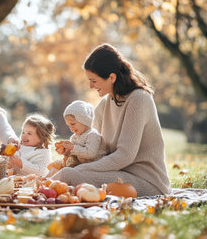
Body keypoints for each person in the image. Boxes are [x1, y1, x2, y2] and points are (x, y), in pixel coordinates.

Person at [52, 44, 171, 196]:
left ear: (112, 77)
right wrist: (70, 151)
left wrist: (79, 169)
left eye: (94, 81)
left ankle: (35, 191)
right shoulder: (105, 103)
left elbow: (124, 156)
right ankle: (37, 190)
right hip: (118, 174)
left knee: (69, 176)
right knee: (67, 173)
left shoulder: (139, 99)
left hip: (147, 181)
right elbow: (90, 143)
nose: (90, 86)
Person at [55, 100, 108, 167]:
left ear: (84, 121)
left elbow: (90, 153)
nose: (71, 128)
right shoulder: (74, 137)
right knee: (58, 166)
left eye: (73, 124)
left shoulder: (93, 135)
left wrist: (72, 147)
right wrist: (66, 151)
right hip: (83, 166)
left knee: (67, 172)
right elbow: (75, 155)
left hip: (96, 165)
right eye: (69, 125)